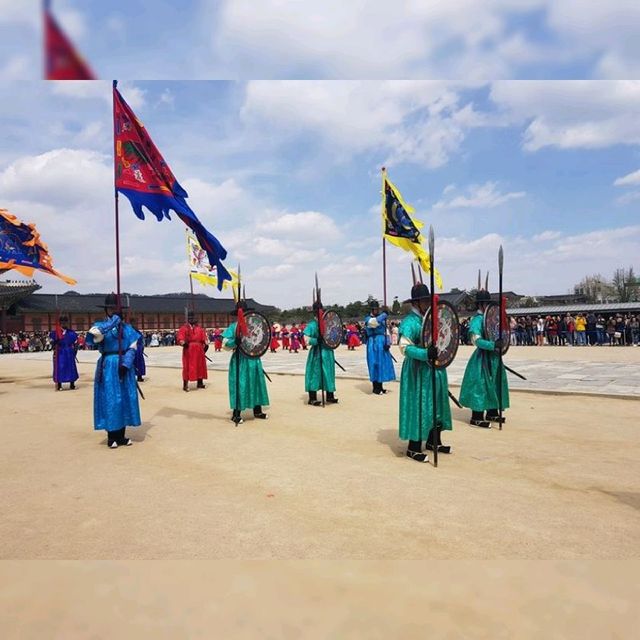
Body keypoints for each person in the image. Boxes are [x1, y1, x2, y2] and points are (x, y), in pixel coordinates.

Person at [398, 283, 452, 463]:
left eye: (429, 300)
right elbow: (404, 348)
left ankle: (433, 441)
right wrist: (424, 353)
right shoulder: (409, 322)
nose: (428, 303)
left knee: (437, 404)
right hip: (417, 370)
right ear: (416, 302)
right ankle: (413, 447)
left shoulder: (431, 318)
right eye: (425, 300)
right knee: (419, 405)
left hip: (435, 368)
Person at [85, 293, 141, 448]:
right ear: (106, 310)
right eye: (110, 308)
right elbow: (93, 337)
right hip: (108, 364)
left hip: (124, 365)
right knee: (111, 398)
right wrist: (113, 323)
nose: (113, 311)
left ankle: (122, 435)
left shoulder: (128, 329)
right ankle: (112, 436)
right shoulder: (99, 326)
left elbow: (133, 347)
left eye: (116, 309)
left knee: (123, 397)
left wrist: (126, 364)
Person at [459, 284, 509, 428]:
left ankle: (493, 411)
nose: (487, 305)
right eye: (485, 303)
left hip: (494, 357)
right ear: (480, 304)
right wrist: (492, 345)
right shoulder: (476, 320)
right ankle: (477, 416)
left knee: (495, 383)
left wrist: (501, 342)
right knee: (480, 385)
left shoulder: (493, 317)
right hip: (482, 358)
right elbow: (476, 339)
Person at [222, 300, 269, 425]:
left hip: (254, 359)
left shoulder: (255, 325)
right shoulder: (233, 327)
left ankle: (257, 410)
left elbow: (263, 340)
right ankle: (236, 414)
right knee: (240, 384)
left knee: (256, 383)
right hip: (240, 360)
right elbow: (225, 344)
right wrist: (234, 342)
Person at [304, 301, 338, 406]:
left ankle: (330, 395)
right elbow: (305, 338)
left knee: (329, 373)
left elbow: (335, 334)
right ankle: (312, 397)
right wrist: (315, 341)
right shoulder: (312, 325)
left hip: (328, 352)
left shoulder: (328, 323)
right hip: (317, 352)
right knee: (315, 374)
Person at [364, 300, 396, 394]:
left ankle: (380, 386)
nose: (376, 311)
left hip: (381, 342)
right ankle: (375, 387)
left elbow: (385, 330)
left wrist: (388, 342)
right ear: (372, 309)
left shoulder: (381, 318)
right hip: (373, 343)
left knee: (382, 363)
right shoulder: (368, 319)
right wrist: (384, 315)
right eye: (375, 309)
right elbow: (374, 323)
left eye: (377, 309)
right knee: (374, 363)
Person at [177, 311, 208, 391]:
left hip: (199, 349)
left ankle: (200, 382)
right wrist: (183, 343)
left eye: (193, 318)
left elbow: (204, 338)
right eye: (190, 318)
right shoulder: (184, 328)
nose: (192, 319)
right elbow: (180, 338)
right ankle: (185, 385)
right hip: (189, 349)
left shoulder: (200, 329)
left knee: (200, 365)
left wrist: (206, 345)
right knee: (188, 366)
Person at [49, 315, 79, 391]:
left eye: (65, 322)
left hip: (69, 351)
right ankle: (59, 384)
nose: (64, 324)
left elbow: (76, 343)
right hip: (60, 352)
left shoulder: (71, 333)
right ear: (60, 323)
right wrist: (55, 342)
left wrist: (74, 351)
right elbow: (52, 343)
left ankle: (72, 384)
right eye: (62, 322)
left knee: (71, 367)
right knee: (60, 367)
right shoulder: (55, 333)